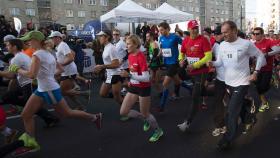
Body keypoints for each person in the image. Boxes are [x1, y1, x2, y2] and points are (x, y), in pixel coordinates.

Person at [8, 31, 102, 156]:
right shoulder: (49, 53)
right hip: (43, 88)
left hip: (49, 89)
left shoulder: (37, 55)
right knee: (26, 114)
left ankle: (94, 117)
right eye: (26, 41)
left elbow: (31, 75)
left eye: (29, 40)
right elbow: (60, 70)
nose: (27, 43)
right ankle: (31, 143)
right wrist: (46, 75)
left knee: (66, 113)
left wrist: (17, 69)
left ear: (36, 40)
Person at [207, 21, 266, 150]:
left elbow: (260, 56)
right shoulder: (222, 45)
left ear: (234, 30)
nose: (223, 35)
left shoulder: (245, 44)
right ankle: (248, 119)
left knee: (231, 111)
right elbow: (220, 62)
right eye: (222, 33)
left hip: (242, 82)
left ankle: (227, 139)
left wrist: (255, 72)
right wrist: (213, 63)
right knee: (238, 106)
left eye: (226, 32)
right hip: (228, 83)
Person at [1, 38, 59, 128]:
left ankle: (50, 118)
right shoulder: (22, 55)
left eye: (8, 45)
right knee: (8, 96)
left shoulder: (16, 58)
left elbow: (11, 75)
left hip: (28, 84)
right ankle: (49, 117)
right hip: (26, 84)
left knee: (28, 104)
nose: (6, 46)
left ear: (15, 47)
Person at [120, 35, 163, 142]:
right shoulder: (130, 55)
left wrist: (129, 76)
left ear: (135, 45)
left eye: (129, 43)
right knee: (123, 112)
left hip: (143, 87)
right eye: (126, 43)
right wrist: (130, 80)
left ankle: (158, 131)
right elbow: (133, 71)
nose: (127, 45)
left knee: (146, 113)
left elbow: (146, 77)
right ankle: (145, 119)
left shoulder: (141, 57)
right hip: (134, 86)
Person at [177, 20, 212, 132]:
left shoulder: (203, 40)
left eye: (196, 27)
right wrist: (181, 60)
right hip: (190, 71)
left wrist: (195, 65)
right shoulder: (186, 40)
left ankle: (188, 122)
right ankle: (216, 90)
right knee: (201, 90)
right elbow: (181, 52)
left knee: (195, 96)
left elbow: (208, 56)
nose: (195, 29)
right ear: (188, 29)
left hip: (201, 72)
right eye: (192, 28)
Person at [49, 31, 88, 110]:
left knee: (62, 92)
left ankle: (85, 93)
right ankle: (80, 106)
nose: (51, 40)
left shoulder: (63, 45)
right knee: (68, 92)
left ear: (57, 38)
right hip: (66, 71)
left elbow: (70, 58)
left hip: (68, 72)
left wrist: (61, 65)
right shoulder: (59, 46)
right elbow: (73, 53)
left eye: (52, 38)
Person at [94, 30, 124, 119]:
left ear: (107, 37)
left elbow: (116, 64)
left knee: (117, 98)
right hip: (109, 74)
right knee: (102, 94)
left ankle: (126, 110)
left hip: (116, 74)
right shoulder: (106, 47)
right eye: (98, 36)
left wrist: (102, 66)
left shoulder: (111, 48)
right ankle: (121, 96)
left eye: (101, 36)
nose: (99, 38)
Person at [155, 22, 182, 113]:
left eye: (162, 30)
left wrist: (183, 57)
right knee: (177, 81)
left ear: (167, 29)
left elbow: (185, 45)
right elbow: (162, 49)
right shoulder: (161, 38)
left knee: (165, 84)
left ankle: (161, 106)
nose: (160, 32)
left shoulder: (174, 37)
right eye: (159, 30)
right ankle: (189, 89)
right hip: (166, 62)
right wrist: (158, 56)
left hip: (174, 63)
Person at [252, 27, 278, 112]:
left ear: (262, 34)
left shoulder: (268, 41)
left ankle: (271, 81)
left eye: (257, 34)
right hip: (257, 70)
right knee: (258, 87)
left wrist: (267, 54)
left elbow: (278, 49)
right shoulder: (253, 44)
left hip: (267, 69)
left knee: (262, 87)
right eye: (254, 34)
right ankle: (265, 103)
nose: (255, 35)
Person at [211, 25, 227, 136]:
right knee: (218, 102)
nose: (215, 36)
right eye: (214, 34)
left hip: (233, 79)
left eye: (217, 34)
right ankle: (220, 125)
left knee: (235, 104)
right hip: (220, 79)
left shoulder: (229, 45)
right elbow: (209, 57)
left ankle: (247, 118)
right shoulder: (215, 46)